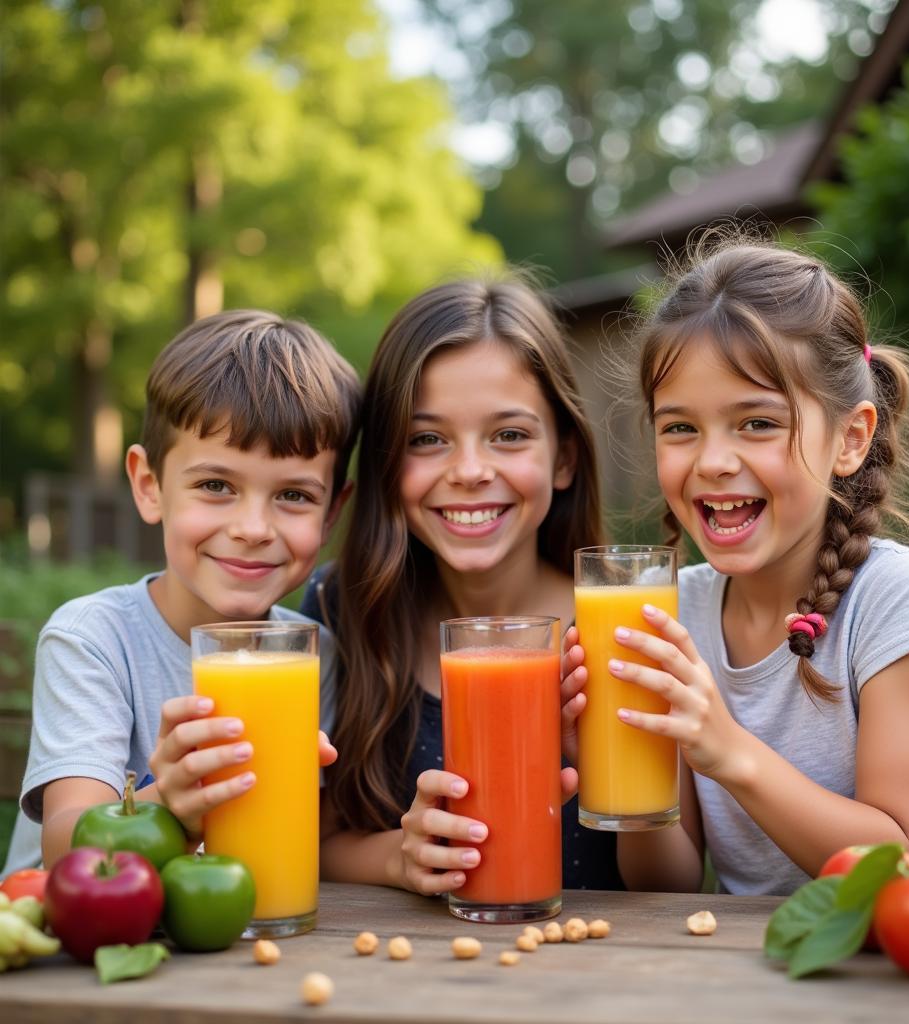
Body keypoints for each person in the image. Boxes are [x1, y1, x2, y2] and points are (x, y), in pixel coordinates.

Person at [562, 238, 909, 896]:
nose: (713, 461)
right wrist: (618, 768)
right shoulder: (679, 610)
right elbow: (664, 883)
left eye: (756, 422)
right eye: (679, 428)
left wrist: (729, 752)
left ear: (850, 438)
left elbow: (904, 862)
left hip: (904, 970)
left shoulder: (892, 598)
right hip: (756, 977)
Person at [3, 310, 361, 873]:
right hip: (73, 942)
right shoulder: (94, 640)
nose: (252, 528)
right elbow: (63, 845)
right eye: (216, 485)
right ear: (150, 487)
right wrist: (165, 803)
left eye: (293, 495)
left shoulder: (314, 653)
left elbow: (307, 837)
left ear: (332, 512)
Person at [303, 276, 625, 893]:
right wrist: (401, 856)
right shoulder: (341, 608)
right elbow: (317, 841)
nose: (471, 471)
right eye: (427, 439)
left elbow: (675, 874)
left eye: (509, 435)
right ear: (386, 464)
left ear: (564, 458)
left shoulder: (614, 621)